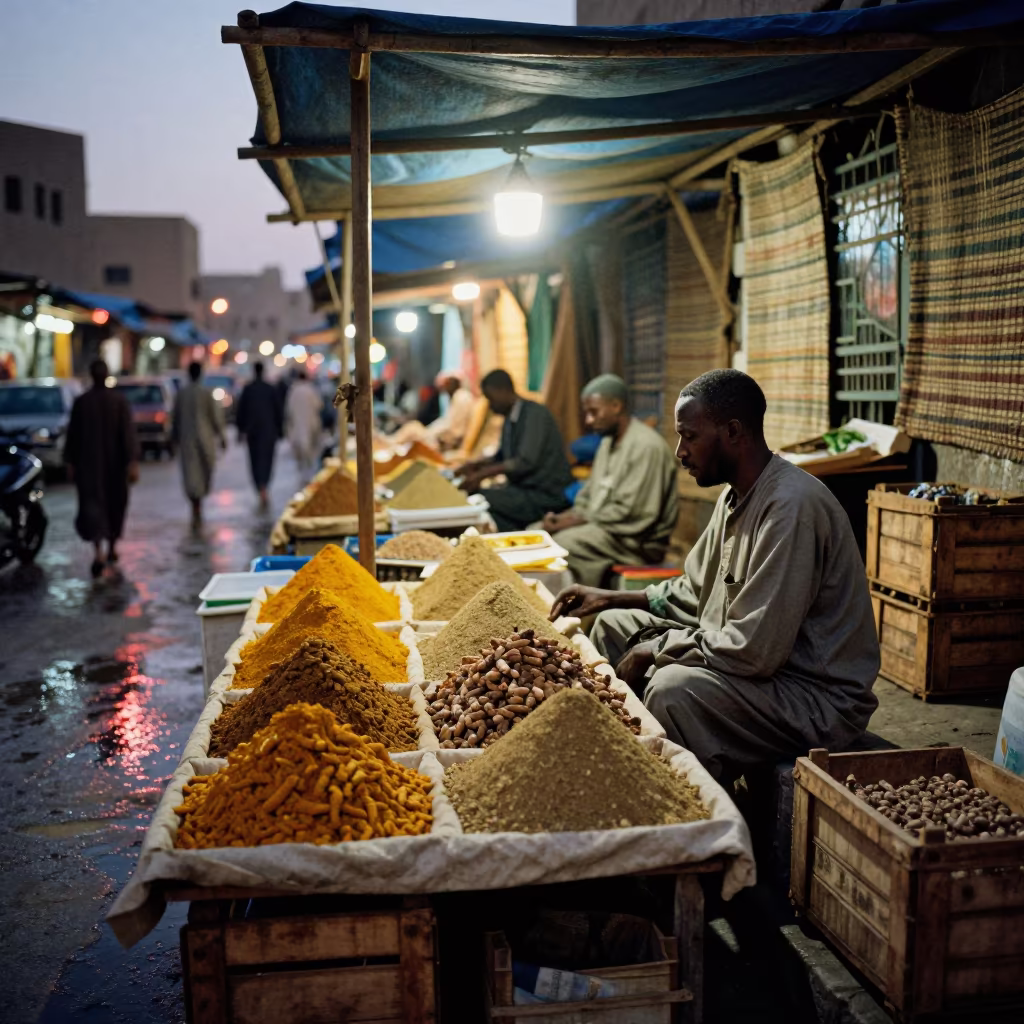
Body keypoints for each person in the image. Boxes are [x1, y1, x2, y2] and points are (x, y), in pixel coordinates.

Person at [550, 369, 880, 783]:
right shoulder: (732, 497)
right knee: (613, 627)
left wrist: (654, 650)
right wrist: (612, 598)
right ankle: (622, 765)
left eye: (689, 436)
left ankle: (694, 812)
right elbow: (694, 591)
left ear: (734, 432)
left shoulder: (790, 509)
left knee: (673, 691)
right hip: (766, 670)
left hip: (813, 697)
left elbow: (753, 650)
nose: (679, 451)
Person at [542, 374, 678, 587]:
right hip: (605, 530)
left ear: (616, 406)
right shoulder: (607, 444)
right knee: (537, 532)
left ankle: (576, 610)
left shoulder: (646, 447)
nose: (588, 420)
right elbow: (588, 495)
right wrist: (567, 517)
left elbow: (634, 514)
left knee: (561, 544)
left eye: (593, 412)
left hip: (634, 543)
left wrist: (578, 521)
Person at [458, 368, 572, 532]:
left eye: (491, 398)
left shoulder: (534, 415)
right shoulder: (510, 418)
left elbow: (525, 462)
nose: (490, 406)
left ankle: (515, 540)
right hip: (524, 490)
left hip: (545, 494)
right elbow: (502, 456)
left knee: (480, 499)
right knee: (482, 501)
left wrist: (482, 474)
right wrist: (474, 466)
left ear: (504, 391)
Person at [63, 359, 139, 577]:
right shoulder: (118, 401)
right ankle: (110, 548)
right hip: (113, 468)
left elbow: (72, 438)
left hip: (90, 468)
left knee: (93, 508)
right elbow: (128, 435)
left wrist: (71, 463)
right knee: (113, 507)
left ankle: (99, 552)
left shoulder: (82, 403)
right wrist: (132, 462)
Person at [173, 360, 225, 527]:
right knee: (195, 473)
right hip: (196, 440)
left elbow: (214, 417)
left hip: (196, 440)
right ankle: (196, 503)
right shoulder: (185, 394)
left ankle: (197, 501)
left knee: (200, 471)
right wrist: (221, 436)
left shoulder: (199, 393)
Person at [236, 361, 282, 510]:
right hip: (267, 432)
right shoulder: (270, 389)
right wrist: (280, 430)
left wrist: (241, 430)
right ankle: (263, 487)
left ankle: (260, 487)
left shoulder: (248, 389)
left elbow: (240, 412)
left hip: (253, 432)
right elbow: (278, 411)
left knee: (255, 460)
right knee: (266, 460)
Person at [284, 369, 323, 473]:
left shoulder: (293, 390)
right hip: (310, 421)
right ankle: (310, 469)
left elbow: (289, 409)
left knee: (301, 447)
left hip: (298, 422)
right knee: (310, 447)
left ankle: (304, 470)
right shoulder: (311, 389)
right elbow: (319, 405)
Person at [427, 370, 476, 451]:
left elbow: (456, 432)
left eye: (449, 383)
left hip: (444, 443)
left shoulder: (462, 397)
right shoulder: (456, 398)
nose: (446, 387)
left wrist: (435, 437)